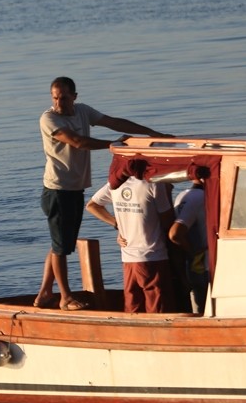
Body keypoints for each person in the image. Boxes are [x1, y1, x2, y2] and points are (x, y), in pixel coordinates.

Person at [35, 76, 171, 311]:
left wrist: (150, 133)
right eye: (55, 98)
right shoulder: (49, 118)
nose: (59, 102)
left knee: (62, 243)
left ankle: (45, 292)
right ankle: (65, 297)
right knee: (61, 246)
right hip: (58, 190)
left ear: (75, 97)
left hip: (75, 188)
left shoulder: (83, 111)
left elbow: (115, 122)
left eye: (64, 98)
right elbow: (77, 141)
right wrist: (113, 145)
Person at [85, 165, 176, 313]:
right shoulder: (154, 183)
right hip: (153, 255)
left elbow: (92, 205)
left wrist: (118, 224)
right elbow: (168, 221)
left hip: (128, 258)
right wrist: (168, 192)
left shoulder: (115, 184)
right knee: (158, 309)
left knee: (132, 306)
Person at [169, 167, 209, 313]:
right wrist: (194, 251)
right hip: (202, 264)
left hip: (190, 264)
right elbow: (175, 234)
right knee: (205, 309)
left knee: (198, 308)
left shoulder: (182, 196)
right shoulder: (199, 197)